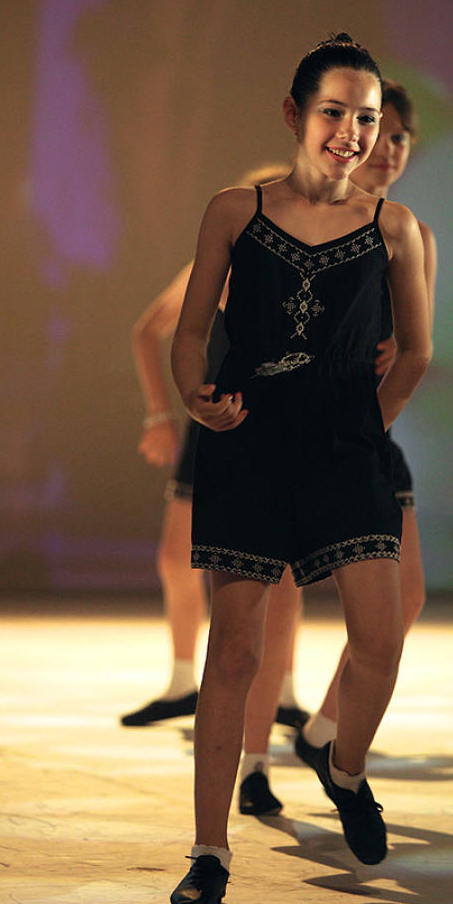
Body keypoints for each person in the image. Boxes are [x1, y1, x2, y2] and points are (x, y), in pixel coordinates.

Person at [169, 33, 431, 904]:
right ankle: (210, 851)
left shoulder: (394, 228)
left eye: (367, 117)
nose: (352, 132)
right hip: (247, 447)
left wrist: (365, 426)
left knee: (381, 638)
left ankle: (344, 771)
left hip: (345, 454)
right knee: (235, 652)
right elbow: (191, 332)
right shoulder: (233, 211)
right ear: (294, 114)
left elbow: (417, 353)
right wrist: (193, 396)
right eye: (333, 112)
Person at [120, 165, 310, 731]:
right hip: (215, 422)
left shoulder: (314, 269)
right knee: (176, 557)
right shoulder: (220, 263)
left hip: (281, 431)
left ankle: (282, 693)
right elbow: (149, 330)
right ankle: (184, 683)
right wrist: (160, 415)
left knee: (281, 572)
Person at [295, 79, 437, 767]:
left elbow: (416, 348)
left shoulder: (413, 233)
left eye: (401, 137)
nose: (390, 148)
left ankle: (326, 730)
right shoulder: (314, 218)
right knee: (269, 600)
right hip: (300, 432)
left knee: (403, 598)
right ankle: (258, 749)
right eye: (382, 132)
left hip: (371, 434)